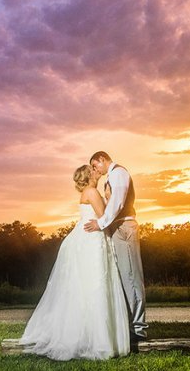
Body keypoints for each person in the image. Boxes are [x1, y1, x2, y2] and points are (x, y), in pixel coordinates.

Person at [19, 164, 131, 360]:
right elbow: (105, 216)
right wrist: (109, 197)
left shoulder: (87, 192)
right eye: (94, 171)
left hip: (85, 237)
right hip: (92, 239)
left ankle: (90, 334)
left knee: (86, 285)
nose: (98, 172)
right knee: (96, 284)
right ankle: (98, 340)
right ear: (89, 176)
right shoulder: (92, 192)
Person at [83, 151, 148, 345]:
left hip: (125, 227)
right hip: (117, 228)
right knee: (122, 278)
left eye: (95, 166)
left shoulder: (119, 173)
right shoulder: (111, 177)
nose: (95, 170)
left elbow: (118, 203)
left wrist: (101, 223)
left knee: (131, 278)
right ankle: (130, 326)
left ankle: (139, 330)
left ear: (102, 159)